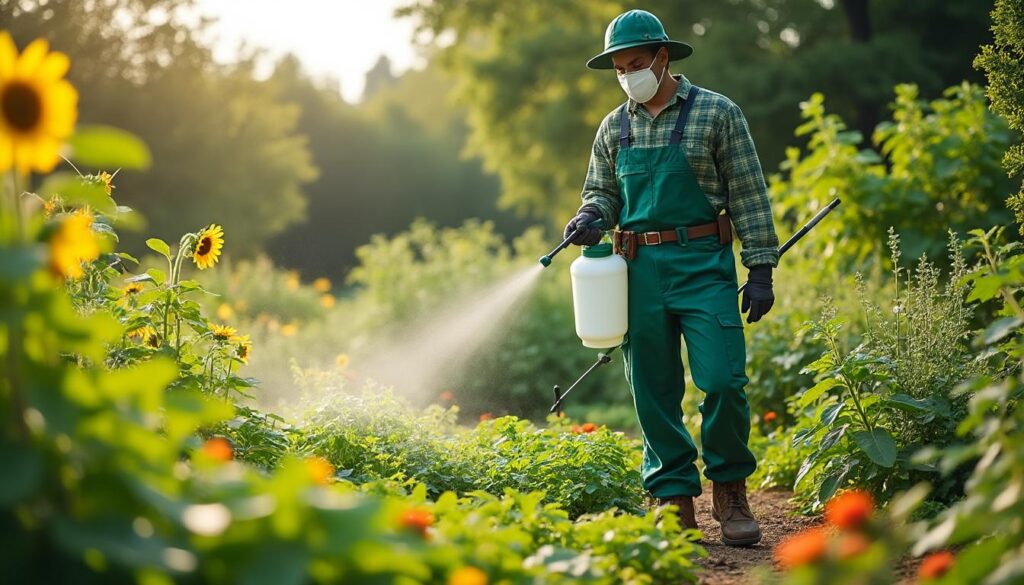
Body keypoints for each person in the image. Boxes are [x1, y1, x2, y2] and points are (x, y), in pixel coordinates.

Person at [563, 9, 779, 547]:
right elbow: (603, 195)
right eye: (618, 68)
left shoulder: (717, 113)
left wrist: (760, 266)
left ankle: (730, 489)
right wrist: (590, 217)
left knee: (723, 380)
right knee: (652, 389)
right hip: (637, 271)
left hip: (704, 262)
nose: (628, 75)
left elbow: (749, 193)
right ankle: (672, 496)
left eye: (636, 64)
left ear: (662, 57)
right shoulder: (614, 127)